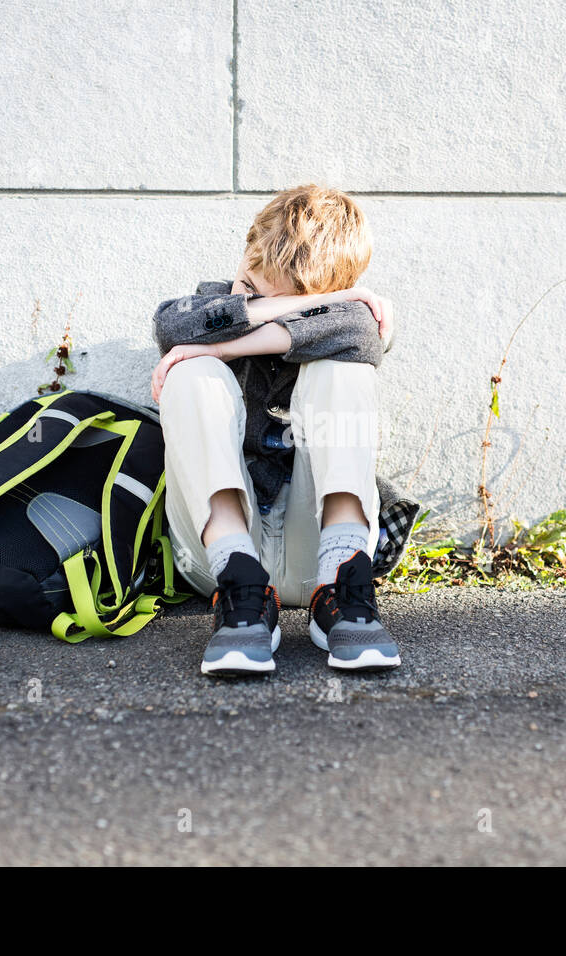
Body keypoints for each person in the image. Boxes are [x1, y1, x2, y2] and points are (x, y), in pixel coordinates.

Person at [150, 184, 419, 676]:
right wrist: (270, 312)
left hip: (313, 549)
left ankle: (342, 586)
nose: (249, 300)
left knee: (343, 367)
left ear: (324, 296)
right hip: (218, 556)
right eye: (248, 286)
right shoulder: (212, 305)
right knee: (188, 370)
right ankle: (242, 588)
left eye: (286, 302)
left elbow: (363, 332)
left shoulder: (351, 316)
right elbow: (171, 327)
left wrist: (226, 348)